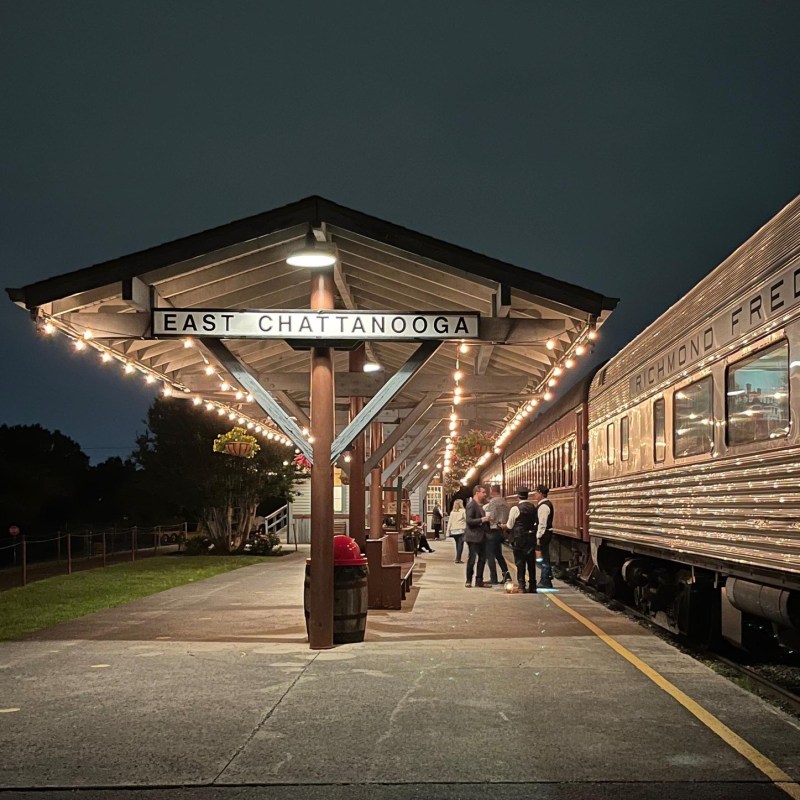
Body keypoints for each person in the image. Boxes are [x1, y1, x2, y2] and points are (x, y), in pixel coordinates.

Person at [503, 487, 538, 593]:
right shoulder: (533, 507)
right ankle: (533, 586)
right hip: (531, 538)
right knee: (531, 562)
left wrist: (502, 526)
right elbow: (536, 522)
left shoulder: (515, 508)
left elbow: (509, 525)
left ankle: (522, 585)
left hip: (519, 539)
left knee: (520, 562)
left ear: (518, 496)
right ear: (527, 495)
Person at [484, 485, 511, 585]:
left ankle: (493, 578)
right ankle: (506, 575)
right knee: (499, 554)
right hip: (501, 531)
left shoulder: (493, 502)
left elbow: (491, 516)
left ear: (492, 491)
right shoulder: (505, 502)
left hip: (493, 530)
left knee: (489, 555)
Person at [464, 485, 490, 587]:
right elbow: (469, 520)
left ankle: (479, 580)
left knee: (482, 558)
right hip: (473, 537)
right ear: (477, 493)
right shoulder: (471, 505)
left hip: (481, 536)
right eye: (483, 492)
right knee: (472, 559)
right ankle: (468, 580)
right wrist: (483, 519)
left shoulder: (480, 505)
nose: (485, 494)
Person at [533, 484, 554, 589]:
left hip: (544, 534)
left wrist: (538, 536)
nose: (535, 495)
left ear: (540, 493)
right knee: (544, 557)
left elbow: (542, 523)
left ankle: (545, 580)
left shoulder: (544, 506)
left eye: (536, 493)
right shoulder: (544, 504)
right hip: (545, 533)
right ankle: (547, 577)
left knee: (543, 558)